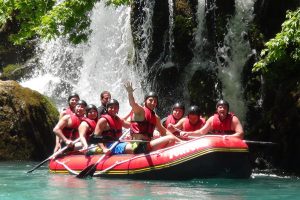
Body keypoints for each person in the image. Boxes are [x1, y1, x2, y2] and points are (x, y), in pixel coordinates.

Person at [124, 81, 179, 154]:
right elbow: (133, 104)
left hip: (146, 144)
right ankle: (156, 157)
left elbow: (164, 132)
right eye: (150, 100)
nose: (153, 103)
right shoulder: (140, 111)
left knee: (172, 140)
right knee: (171, 139)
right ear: (145, 101)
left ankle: (156, 157)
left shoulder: (155, 117)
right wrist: (130, 93)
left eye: (155, 101)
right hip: (136, 145)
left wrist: (180, 141)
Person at [179, 100, 244, 139]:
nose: (222, 109)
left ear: (227, 110)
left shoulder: (233, 120)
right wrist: (188, 133)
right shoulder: (212, 119)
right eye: (220, 107)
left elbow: (240, 134)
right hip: (216, 145)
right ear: (217, 109)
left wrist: (227, 137)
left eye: (225, 108)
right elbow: (201, 132)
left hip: (230, 143)